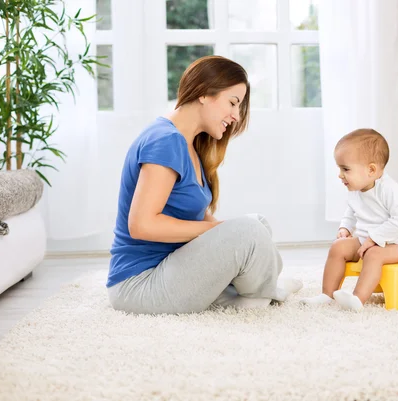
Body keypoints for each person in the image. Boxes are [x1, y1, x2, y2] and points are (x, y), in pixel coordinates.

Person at [107, 55, 301, 314]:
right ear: (204, 93)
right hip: (140, 284)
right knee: (249, 231)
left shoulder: (188, 143)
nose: (235, 115)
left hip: (171, 267)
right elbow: (142, 225)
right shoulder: (166, 140)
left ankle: (256, 290)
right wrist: (225, 230)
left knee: (257, 224)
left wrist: (226, 230)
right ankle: (259, 296)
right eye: (233, 103)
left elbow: (200, 218)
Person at [301, 129, 398, 311]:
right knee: (338, 247)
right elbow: (352, 210)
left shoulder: (392, 191)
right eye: (340, 169)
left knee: (374, 254)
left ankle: (358, 299)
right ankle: (327, 294)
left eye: (346, 169)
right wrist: (345, 228)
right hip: (367, 240)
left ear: (371, 170)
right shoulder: (357, 189)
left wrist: (374, 238)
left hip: (397, 244)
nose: (340, 175)